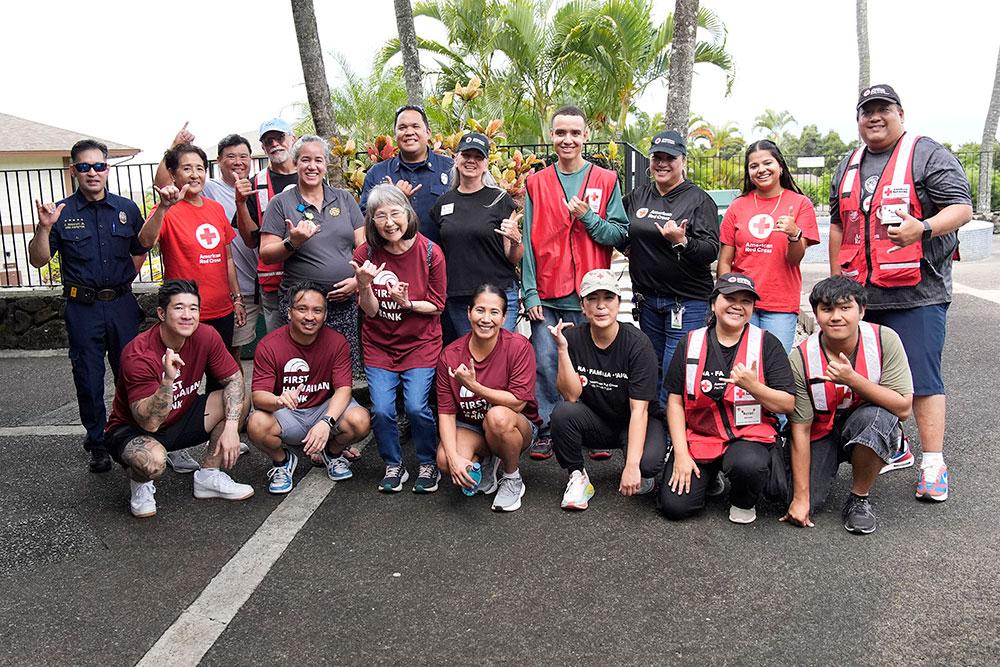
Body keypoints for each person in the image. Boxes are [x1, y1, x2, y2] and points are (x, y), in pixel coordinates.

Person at [829, 84, 973, 502]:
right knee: (868, 377)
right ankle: (896, 443)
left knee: (923, 380)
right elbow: (839, 223)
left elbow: (961, 208)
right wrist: (839, 276)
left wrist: (922, 228)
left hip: (918, 293)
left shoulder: (927, 153)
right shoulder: (848, 164)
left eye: (883, 109)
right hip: (864, 295)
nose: (874, 117)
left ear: (900, 113)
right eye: (866, 111)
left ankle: (933, 463)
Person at [28, 139, 148, 473]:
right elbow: (38, 260)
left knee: (131, 374)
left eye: (98, 166)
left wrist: (125, 276)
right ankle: (97, 444)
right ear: (74, 171)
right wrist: (45, 226)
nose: (92, 173)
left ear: (107, 169)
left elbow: (142, 246)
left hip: (122, 303)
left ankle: (131, 435)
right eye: (84, 167)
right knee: (88, 377)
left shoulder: (126, 208)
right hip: (84, 309)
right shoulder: (60, 213)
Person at [521, 105, 629, 460]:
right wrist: (530, 290)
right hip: (549, 295)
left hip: (591, 294)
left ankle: (593, 431)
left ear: (585, 136)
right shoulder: (535, 184)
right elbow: (527, 241)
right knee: (547, 363)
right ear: (551, 137)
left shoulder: (605, 179)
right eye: (560, 133)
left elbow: (618, 234)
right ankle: (550, 429)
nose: (567, 139)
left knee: (594, 368)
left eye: (574, 133)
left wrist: (589, 218)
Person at [104, 280, 253, 518]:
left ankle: (208, 476)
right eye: (179, 308)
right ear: (161, 313)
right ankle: (140, 484)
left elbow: (234, 380)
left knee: (239, 399)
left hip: (181, 416)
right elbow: (149, 423)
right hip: (135, 429)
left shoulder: (206, 335)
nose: (187, 316)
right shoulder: (139, 353)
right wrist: (167, 381)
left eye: (193, 308)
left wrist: (233, 428)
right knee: (152, 462)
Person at [781, 276, 913, 534]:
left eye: (845, 308)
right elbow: (801, 428)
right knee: (795, 500)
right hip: (821, 430)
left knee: (877, 418)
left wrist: (853, 380)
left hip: (864, 423)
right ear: (816, 315)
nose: (836, 317)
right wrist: (801, 497)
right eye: (827, 309)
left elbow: (903, 408)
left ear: (861, 311)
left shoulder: (884, 339)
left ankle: (859, 498)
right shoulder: (800, 357)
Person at [660, 273, 795, 524]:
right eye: (729, 298)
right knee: (674, 508)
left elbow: (787, 404)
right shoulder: (690, 342)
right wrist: (680, 453)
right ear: (713, 303)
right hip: (701, 437)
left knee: (748, 464)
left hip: (748, 437)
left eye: (746, 301)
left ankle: (743, 500)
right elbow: (675, 401)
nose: (737, 305)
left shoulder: (767, 343)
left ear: (753, 308)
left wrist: (755, 387)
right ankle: (711, 477)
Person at [351, 184, 446, 494]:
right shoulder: (365, 254)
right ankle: (394, 464)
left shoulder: (431, 252)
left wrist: (408, 304)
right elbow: (371, 312)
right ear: (372, 222)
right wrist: (364, 286)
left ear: (408, 215)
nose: (389, 222)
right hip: (380, 344)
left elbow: (437, 305)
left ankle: (428, 463)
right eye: (381, 216)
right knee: (381, 409)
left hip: (420, 342)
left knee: (418, 407)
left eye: (395, 213)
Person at [548, 269, 667, 511]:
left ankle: (645, 460)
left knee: (647, 465)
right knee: (562, 413)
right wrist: (562, 349)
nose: (600, 306)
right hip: (599, 421)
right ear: (582, 306)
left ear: (618, 302)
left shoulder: (638, 344)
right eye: (592, 298)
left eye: (608, 298)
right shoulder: (572, 337)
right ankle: (577, 477)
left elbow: (639, 410)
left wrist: (632, 465)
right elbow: (571, 396)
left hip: (635, 419)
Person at [623, 129, 719, 406]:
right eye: (657, 157)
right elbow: (619, 229)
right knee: (652, 366)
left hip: (687, 301)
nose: (662, 164)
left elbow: (710, 251)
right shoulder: (639, 196)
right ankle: (656, 426)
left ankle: (673, 432)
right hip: (648, 300)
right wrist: (630, 248)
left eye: (669, 158)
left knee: (676, 368)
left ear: (683, 161)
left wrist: (682, 241)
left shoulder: (699, 200)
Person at [248, 282, 371, 494]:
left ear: (325, 315)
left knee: (361, 421)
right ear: (289, 312)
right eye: (302, 309)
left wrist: (326, 421)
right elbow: (258, 397)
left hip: (323, 408)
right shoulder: (269, 345)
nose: (309, 317)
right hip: (288, 412)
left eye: (317, 310)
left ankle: (331, 453)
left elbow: (343, 389)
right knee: (256, 424)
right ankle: (282, 461)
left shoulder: (337, 342)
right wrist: (278, 400)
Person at [258, 135, 365, 378]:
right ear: (295, 164)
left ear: (326, 164)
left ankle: (338, 415)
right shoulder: (281, 203)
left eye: (318, 160)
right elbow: (266, 254)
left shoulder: (344, 199)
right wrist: (292, 243)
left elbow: (364, 246)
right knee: (302, 369)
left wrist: (358, 281)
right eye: (305, 160)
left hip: (343, 302)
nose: (312, 166)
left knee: (341, 369)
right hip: (302, 306)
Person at [436, 284, 540, 512]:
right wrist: (454, 459)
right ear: (468, 313)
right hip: (472, 427)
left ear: (504, 318)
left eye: (494, 312)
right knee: (445, 459)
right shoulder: (450, 355)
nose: (486, 319)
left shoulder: (518, 347)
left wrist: (474, 386)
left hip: (516, 426)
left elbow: (518, 403)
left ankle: (512, 477)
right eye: (480, 310)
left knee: (498, 417)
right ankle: (486, 463)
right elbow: (446, 412)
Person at [718, 140, 820, 353]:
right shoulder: (738, 206)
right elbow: (725, 261)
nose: (761, 169)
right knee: (740, 364)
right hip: (741, 301)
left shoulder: (800, 204)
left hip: (780, 303)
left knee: (773, 366)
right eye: (754, 166)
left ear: (780, 166)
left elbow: (794, 260)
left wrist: (794, 234)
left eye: (767, 163)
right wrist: (724, 298)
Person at [141, 142, 245, 348]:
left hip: (222, 309)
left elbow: (229, 258)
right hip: (184, 313)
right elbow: (145, 242)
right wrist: (163, 208)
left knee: (220, 373)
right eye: (187, 168)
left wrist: (238, 299)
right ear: (172, 174)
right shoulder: (166, 209)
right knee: (185, 375)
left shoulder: (215, 208)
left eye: (200, 169)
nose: (195, 175)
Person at [429, 132, 522, 342]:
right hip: (460, 298)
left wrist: (516, 239)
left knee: (500, 358)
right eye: (466, 155)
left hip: (499, 296)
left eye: (478, 156)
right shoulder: (442, 204)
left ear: (486, 164)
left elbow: (513, 256)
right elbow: (439, 251)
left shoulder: (500, 200)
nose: (471, 160)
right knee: (472, 358)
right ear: (456, 159)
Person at [234, 118, 300, 333]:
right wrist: (241, 203)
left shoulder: (313, 176)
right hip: (275, 284)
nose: (274, 144)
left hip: (312, 276)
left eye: (279, 137)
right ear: (262, 147)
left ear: (293, 139)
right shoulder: (256, 184)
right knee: (279, 348)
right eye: (268, 140)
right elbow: (250, 240)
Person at [200, 134, 259, 362]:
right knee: (231, 351)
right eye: (231, 156)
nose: (238, 161)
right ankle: (233, 396)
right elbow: (169, 182)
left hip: (269, 280)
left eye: (243, 156)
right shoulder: (209, 188)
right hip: (239, 288)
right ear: (218, 160)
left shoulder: (259, 185)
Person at [361, 104, 454, 245]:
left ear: (428, 132)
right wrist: (395, 199)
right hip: (393, 260)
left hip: (444, 259)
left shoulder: (450, 168)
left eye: (415, 126)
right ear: (394, 134)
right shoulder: (377, 173)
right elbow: (366, 219)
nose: (409, 132)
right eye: (402, 127)